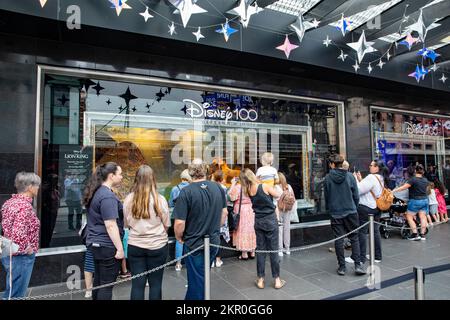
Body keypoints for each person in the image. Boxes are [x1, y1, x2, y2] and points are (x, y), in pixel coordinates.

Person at [173, 159, 228, 300]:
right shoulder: (218, 188)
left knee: (197, 279)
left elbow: (179, 223)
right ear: (205, 170)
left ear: (191, 172)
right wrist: (217, 226)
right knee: (202, 276)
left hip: (194, 242)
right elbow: (224, 214)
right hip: (213, 240)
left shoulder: (186, 192)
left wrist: (179, 237)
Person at [123, 165, 170, 300]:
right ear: (152, 179)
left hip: (135, 246)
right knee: (156, 284)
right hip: (158, 245)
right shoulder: (159, 199)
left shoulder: (128, 199)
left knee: (137, 285)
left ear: (136, 179)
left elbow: (126, 224)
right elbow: (166, 224)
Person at [84, 162, 125, 300]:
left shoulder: (97, 191)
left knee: (99, 282)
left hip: (95, 244)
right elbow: (111, 225)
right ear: (111, 176)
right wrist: (120, 249)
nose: (122, 177)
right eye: (120, 174)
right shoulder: (107, 196)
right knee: (106, 286)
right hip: (107, 246)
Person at [242, 168, 286, 290]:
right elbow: (278, 194)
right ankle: (277, 280)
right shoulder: (264, 186)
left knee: (260, 250)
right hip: (270, 219)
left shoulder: (248, 190)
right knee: (273, 250)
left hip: (258, 221)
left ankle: (260, 279)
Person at [1, 172, 41, 299]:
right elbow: (18, 234)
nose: (38, 188)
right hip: (21, 257)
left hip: (9, 253)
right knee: (16, 293)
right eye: (37, 185)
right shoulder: (24, 207)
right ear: (30, 187)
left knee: (11, 289)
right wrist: (28, 249)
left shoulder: (9, 202)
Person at [324, 155, 365, 276]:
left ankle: (342, 267)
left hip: (336, 211)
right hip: (350, 211)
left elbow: (326, 196)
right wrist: (354, 206)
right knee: (354, 237)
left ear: (332, 164)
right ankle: (358, 265)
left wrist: (329, 209)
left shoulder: (328, 178)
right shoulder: (350, 176)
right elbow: (356, 195)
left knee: (339, 239)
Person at [351, 160, 389, 265]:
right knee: (375, 231)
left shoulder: (371, 177)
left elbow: (358, 190)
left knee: (361, 232)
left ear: (377, 168)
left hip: (366, 207)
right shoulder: (381, 178)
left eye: (371, 165)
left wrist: (355, 179)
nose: (369, 167)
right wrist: (360, 179)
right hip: (377, 208)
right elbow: (369, 189)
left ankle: (361, 258)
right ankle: (377, 256)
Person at [392, 165, 429, 240]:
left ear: (415, 171)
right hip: (425, 200)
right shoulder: (425, 180)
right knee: (423, 217)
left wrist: (393, 191)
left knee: (409, 216)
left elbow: (403, 187)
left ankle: (415, 235)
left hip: (415, 201)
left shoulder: (413, 179)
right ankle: (422, 235)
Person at [228, 172, 257, 260]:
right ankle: (252, 251)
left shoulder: (238, 187)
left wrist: (233, 183)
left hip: (241, 210)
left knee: (242, 229)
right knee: (251, 229)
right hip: (250, 209)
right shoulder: (251, 186)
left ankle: (244, 253)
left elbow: (231, 197)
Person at [169, 169, 191, 272]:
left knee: (179, 239)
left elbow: (171, 204)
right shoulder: (191, 188)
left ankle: (178, 264)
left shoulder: (174, 189)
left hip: (178, 216)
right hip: (190, 216)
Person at [210, 170, 230, 268]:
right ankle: (218, 259)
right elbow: (226, 204)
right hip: (221, 215)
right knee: (220, 237)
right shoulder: (224, 188)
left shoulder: (210, 188)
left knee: (211, 237)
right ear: (222, 179)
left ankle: (211, 260)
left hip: (212, 216)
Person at [275, 172, 297, 257]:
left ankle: (280, 249)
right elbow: (294, 199)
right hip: (288, 210)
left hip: (279, 210)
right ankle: (287, 248)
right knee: (287, 229)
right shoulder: (289, 187)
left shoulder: (275, 187)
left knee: (280, 229)